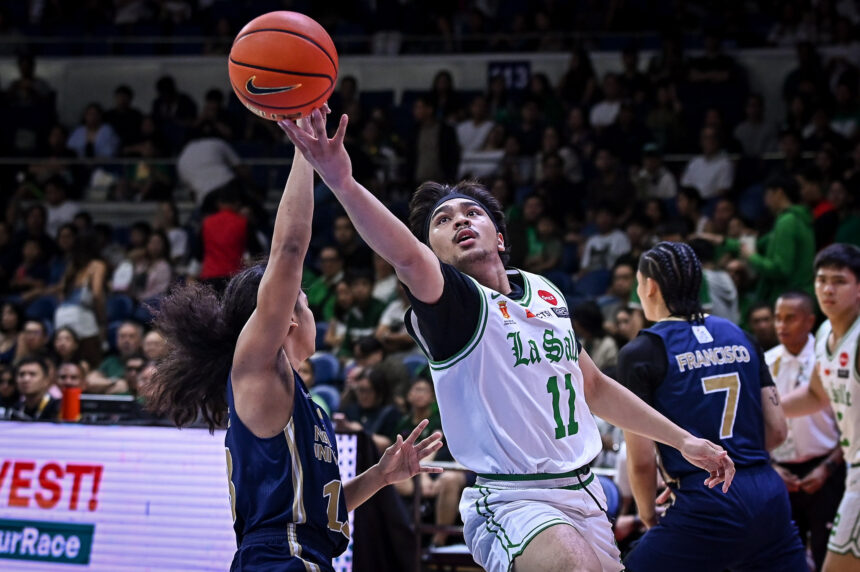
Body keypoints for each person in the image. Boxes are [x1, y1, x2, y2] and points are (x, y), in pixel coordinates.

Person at [282, 108, 734, 572]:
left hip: (584, 492)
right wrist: (342, 182)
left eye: (472, 213)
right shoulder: (454, 307)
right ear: (434, 252)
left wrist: (683, 441)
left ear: (499, 237)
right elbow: (406, 257)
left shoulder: (545, 291)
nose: (460, 220)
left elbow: (594, 386)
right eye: (442, 221)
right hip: (512, 498)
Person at [146, 113, 443, 572]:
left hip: (304, 555)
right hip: (278, 559)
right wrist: (305, 152)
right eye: (302, 301)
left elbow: (314, 512)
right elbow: (288, 249)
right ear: (284, 317)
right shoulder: (259, 370)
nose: (310, 310)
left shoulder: (302, 400)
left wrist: (380, 477)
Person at [616, 241, 806, 571]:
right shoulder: (741, 335)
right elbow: (777, 431)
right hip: (767, 494)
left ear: (650, 287)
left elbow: (642, 460)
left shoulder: (641, 352)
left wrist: (648, 515)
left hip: (706, 499)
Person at [782, 244, 860, 571]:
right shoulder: (826, 332)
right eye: (822, 280)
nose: (828, 289)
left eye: (839, 281)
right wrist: (759, 410)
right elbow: (816, 395)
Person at [768, 291, 844, 571]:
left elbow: (850, 423)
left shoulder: (828, 357)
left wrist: (827, 467)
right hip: (780, 470)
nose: (781, 325)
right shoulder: (765, 361)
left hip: (827, 467)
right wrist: (771, 466)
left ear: (810, 321)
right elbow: (755, 423)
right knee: (784, 553)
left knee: (828, 551)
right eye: (778, 318)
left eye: (790, 318)